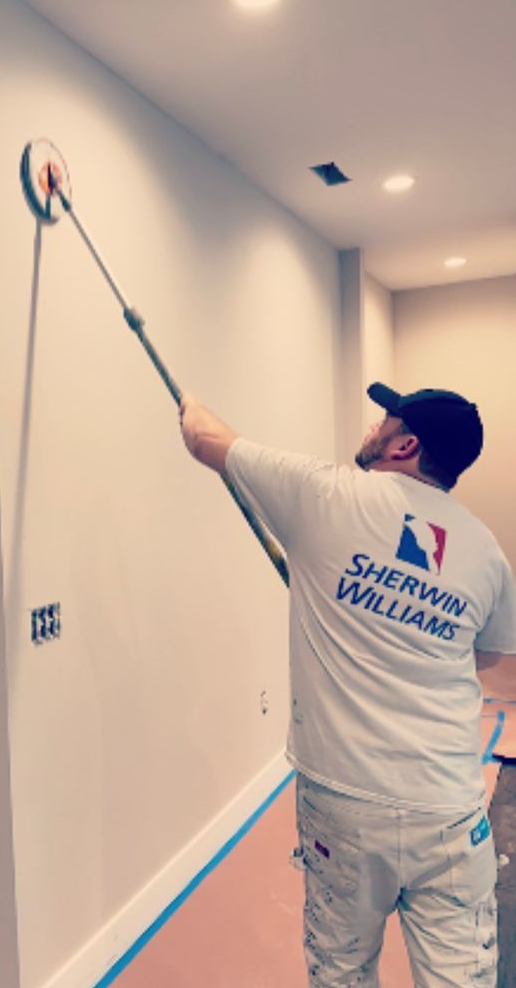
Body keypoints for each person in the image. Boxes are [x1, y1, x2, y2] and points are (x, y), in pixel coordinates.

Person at [179, 382, 516, 988]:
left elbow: (205, 438)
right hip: (449, 806)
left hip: (345, 801)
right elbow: (490, 657)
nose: (375, 426)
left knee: (341, 972)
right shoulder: (487, 553)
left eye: (387, 419)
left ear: (405, 444)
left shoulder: (325, 495)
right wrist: (418, 626)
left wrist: (188, 400)